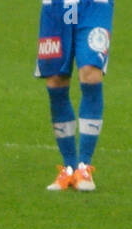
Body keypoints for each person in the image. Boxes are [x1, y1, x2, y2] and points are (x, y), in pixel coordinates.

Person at [36, 0, 113, 191]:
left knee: (90, 73)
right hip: (55, 7)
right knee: (55, 80)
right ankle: (69, 168)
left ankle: (84, 167)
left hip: (94, 6)